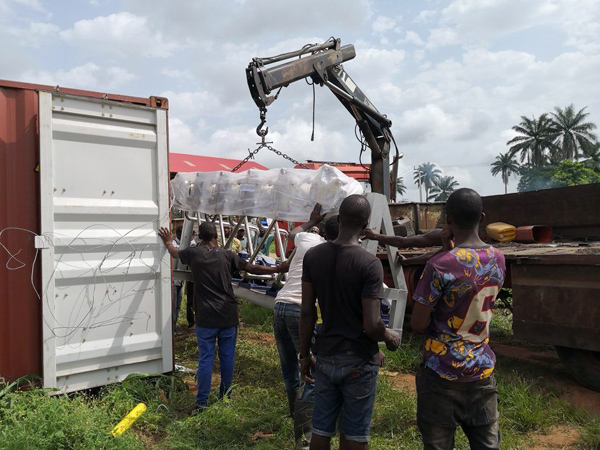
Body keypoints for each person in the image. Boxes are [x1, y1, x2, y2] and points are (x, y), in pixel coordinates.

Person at [299, 194, 401, 450]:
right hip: (358, 360)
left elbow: (307, 312)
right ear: (366, 224)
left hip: (325, 356)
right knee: (354, 434)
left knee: (321, 430)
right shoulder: (369, 264)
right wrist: (389, 337)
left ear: (340, 219)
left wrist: (304, 355)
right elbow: (372, 325)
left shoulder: (313, 256)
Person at [410, 188, 506, 450]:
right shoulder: (498, 259)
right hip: (482, 371)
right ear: (482, 218)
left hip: (441, 373)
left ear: (448, 220)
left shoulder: (439, 265)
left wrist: (443, 252)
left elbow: (417, 324)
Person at [158, 221, 286, 411]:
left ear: (200, 237)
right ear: (216, 237)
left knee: (206, 359)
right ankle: (225, 397)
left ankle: (201, 403)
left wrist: (168, 241)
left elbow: (175, 253)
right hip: (227, 315)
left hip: (206, 317)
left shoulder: (193, 254)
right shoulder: (228, 255)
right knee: (227, 358)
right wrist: (277, 269)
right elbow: (250, 268)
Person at [273, 205, 338, 448]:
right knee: (310, 371)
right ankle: (305, 433)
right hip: (299, 310)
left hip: (280, 305)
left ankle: (295, 415)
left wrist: (311, 221)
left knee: (290, 367)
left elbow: (293, 232)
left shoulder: (307, 238)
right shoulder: (331, 250)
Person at [171, 226, 185, 333]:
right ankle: (172, 330)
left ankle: (174, 327)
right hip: (174, 280)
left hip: (181, 280)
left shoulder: (184, 244)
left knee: (178, 306)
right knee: (173, 306)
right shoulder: (174, 244)